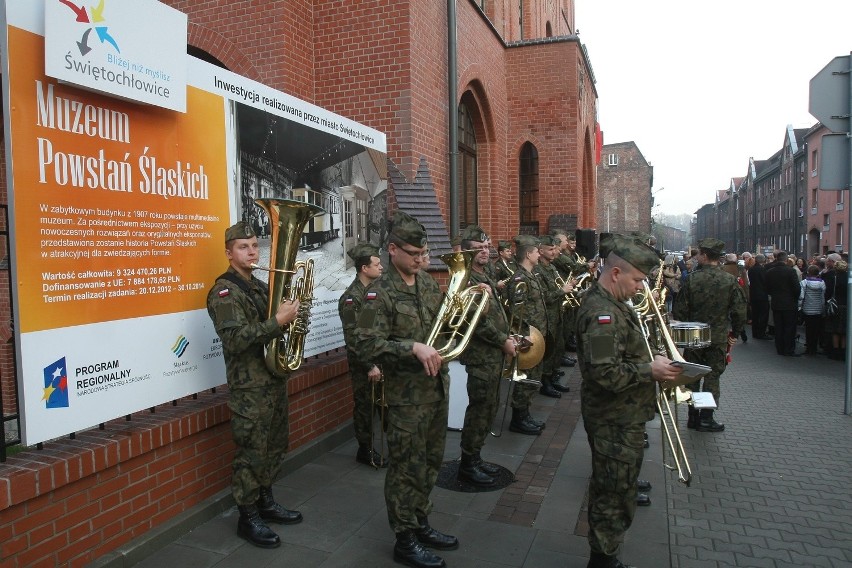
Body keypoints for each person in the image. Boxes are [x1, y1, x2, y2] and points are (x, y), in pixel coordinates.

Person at [354, 211, 457, 568]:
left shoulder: (427, 283)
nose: (420, 259)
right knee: (404, 468)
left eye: (423, 252)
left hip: (435, 391)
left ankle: (421, 521)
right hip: (404, 399)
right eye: (413, 253)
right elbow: (365, 345)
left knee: (430, 464)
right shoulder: (376, 295)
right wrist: (410, 347)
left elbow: (444, 325)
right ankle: (404, 538)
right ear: (393, 249)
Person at [576, 233, 684, 568]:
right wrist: (649, 370)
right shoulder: (601, 316)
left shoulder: (615, 306)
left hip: (623, 416)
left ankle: (606, 554)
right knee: (613, 492)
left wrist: (653, 358)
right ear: (616, 273)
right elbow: (604, 374)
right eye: (638, 279)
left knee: (618, 486)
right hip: (613, 418)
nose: (641, 287)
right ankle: (604, 559)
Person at [206, 221, 303, 549]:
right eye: (243, 247)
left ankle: (265, 501)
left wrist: (292, 317)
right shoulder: (224, 291)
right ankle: (247, 517)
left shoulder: (261, 286)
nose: (252, 252)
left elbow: (274, 326)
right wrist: (277, 322)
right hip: (249, 387)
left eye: (254, 246)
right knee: (251, 452)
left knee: (275, 445)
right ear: (229, 253)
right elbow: (234, 340)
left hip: (272, 379)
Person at [457, 225, 515, 487]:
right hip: (482, 357)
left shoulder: (486, 274)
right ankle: (468, 463)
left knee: (490, 406)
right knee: (479, 409)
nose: (484, 251)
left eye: (485, 247)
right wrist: (503, 340)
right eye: (477, 249)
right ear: (467, 252)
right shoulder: (466, 279)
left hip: (494, 355)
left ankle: (477, 457)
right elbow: (475, 322)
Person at [673, 238, 746, 432]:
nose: (696, 258)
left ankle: (692, 416)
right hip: (717, 337)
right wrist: (735, 333)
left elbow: (679, 311)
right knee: (712, 377)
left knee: (693, 376)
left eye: (699, 254)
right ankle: (706, 418)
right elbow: (739, 311)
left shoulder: (692, 279)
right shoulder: (729, 280)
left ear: (705, 256)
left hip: (694, 336)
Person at [338, 242, 386, 467]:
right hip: (363, 363)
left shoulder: (376, 292)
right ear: (364, 268)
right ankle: (365, 450)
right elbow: (353, 338)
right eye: (377, 264)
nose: (381, 267)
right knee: (365, 407)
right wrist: (369, 365)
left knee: (384, 405)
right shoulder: (351, 298)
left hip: (381, 358)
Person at [505, 234, 549, 435]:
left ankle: (525, 414)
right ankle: (518, 418)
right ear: (529, 254)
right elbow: (516, 312)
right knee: (524, 378)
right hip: (528, 338)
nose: (539, 255)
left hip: (536, 336)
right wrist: (523, 336)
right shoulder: (520, 278)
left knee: (533, 377)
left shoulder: (531, 275)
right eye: (537, 252)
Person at [535, 234, 575, 396]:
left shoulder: (551, 267)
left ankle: (552, 377)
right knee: (548, 351)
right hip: (547, 317)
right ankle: (545, 383)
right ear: (540, 250)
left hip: (557, 313)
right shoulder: (538, 270)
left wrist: (568, 286)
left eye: (554, 249)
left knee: (557, 349)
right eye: (550, 249)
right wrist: (562, 290)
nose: (554, 252)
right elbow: (544, 296)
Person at [764, 251, 801, 357]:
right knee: (789, 327)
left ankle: (779, 348)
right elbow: (796, 288)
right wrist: (794, 298)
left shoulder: (770, 272)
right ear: (786, 259)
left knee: (778, 327)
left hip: (776, 302)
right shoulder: (791, 271)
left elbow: (767, 288)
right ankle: (788, 349)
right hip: (789, 303)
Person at [823, 259, 848, 360]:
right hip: (847, 306)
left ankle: (835, 351)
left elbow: (828, 292)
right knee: (844, 330)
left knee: (835, 330)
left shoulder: (834, 278)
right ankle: (843, 351)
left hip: (836, 306)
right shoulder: (849, 278)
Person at [799, 264, 826, 356]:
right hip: (818, 309)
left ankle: (808, 348)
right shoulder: (822, 283)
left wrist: (799, 306)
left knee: (808, 329)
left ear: (808, 272)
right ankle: (814, 348)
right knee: (816, 329)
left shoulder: (804, 282)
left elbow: (801, 296)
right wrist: (823, 309)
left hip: (807, 309)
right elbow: (823, 297)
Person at [748, 254, 771, 339]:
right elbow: (765, 282)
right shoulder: (763, 270)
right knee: (763, 315)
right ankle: (761, 333)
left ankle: (755, 332)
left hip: (753, 294)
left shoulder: (751, 270)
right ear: (763, 261)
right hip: (762, 295)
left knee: (755, 314)